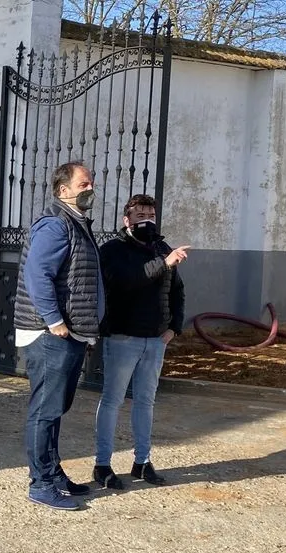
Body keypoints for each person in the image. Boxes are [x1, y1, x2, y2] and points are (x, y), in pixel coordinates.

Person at [12, 161, 105, 511]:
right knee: (45, 410)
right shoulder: (55, 224)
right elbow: (38, 276)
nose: (89, 188)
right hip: (50, 334)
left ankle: (52, 474)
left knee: (56, 408)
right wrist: (54, 321)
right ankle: (40, 484)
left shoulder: (76, 223)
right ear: (63, 190)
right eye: (83, 184)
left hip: (69, 333)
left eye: (91, 182)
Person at [93, 194, 187, 489]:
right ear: (126, 220)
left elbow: (177, 291)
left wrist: (174, 327)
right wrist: (164, 263)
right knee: (112, 401)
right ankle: (103, 465)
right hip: (123, 337)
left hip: (155, 340)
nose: (145, 219)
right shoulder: (113, 250)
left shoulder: (162, 248)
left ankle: (142, 462)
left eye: (150, 214)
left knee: (145, 402)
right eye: (138, 215)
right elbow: (126, 281)